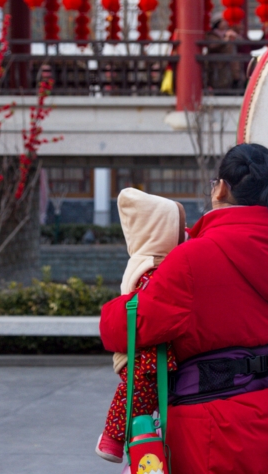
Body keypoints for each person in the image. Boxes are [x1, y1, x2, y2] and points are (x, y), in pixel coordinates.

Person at [99, 143, 268, 473]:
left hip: (210, 420)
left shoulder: (194, 258)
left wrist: (128, 291)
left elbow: (127, 328)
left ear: (221, 188)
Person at [96, 188, 184, 462]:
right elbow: (160, 307)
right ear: (161, 231)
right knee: (137, 395)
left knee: (141, 399)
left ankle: (135, 446)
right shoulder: (154, 268)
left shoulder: (145, 259)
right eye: (178, 229)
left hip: (145, 349)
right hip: (149, 355)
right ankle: (113, 439)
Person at [205, 17, 242, 91]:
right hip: (218, 64)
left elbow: (242, 43)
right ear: (217, 24)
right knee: (220, 82)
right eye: (223, 22)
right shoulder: (211, 35)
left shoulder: (229, 32)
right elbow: (213, 46)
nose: (225, 23)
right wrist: (226, 39)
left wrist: (235, 36)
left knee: (233, 79)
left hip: (231, 64)